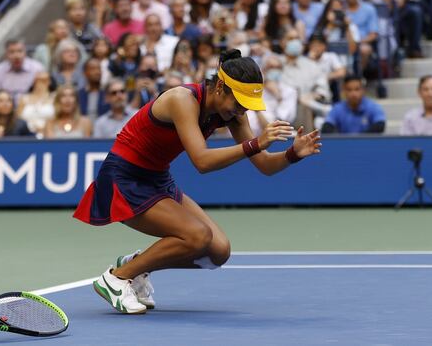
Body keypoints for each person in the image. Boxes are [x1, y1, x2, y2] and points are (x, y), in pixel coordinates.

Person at [72, 50, 321, 314]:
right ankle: (118, 277)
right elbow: (201, 161)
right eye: (239, 102)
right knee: (198, 236)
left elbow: (265, 165)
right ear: (221, 87)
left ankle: (138, 263)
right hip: (124, 179)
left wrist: (293, 154)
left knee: (218, 252)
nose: (242, 109)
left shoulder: (233, 113)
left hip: (157, 179)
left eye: (247, 105)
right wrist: (256, 143)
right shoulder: (182, 99)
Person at [321, 76, 385, 134]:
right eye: (349, 90)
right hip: (344, 145)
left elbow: (380, 126)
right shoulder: (337, 108)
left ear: (363, 90)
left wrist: (358, 140)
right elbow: (326, 128)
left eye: (357, 89)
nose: (353, 94)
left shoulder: (373, 107)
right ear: (344, 91)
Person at [17, 71, 56, 136]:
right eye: (38, 80)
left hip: (48, 134)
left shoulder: (55, 97)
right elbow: (18, 118)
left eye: (44, 80)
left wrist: (45, 129)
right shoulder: (23, 98)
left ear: (49, 82)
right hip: (26, 134)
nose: (40, 83)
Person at [78, 58, 109, 122]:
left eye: (99, 69)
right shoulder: (78, 95)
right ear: (85, 73)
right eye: (93, 69)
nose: (97, 72)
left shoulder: (108, 93)